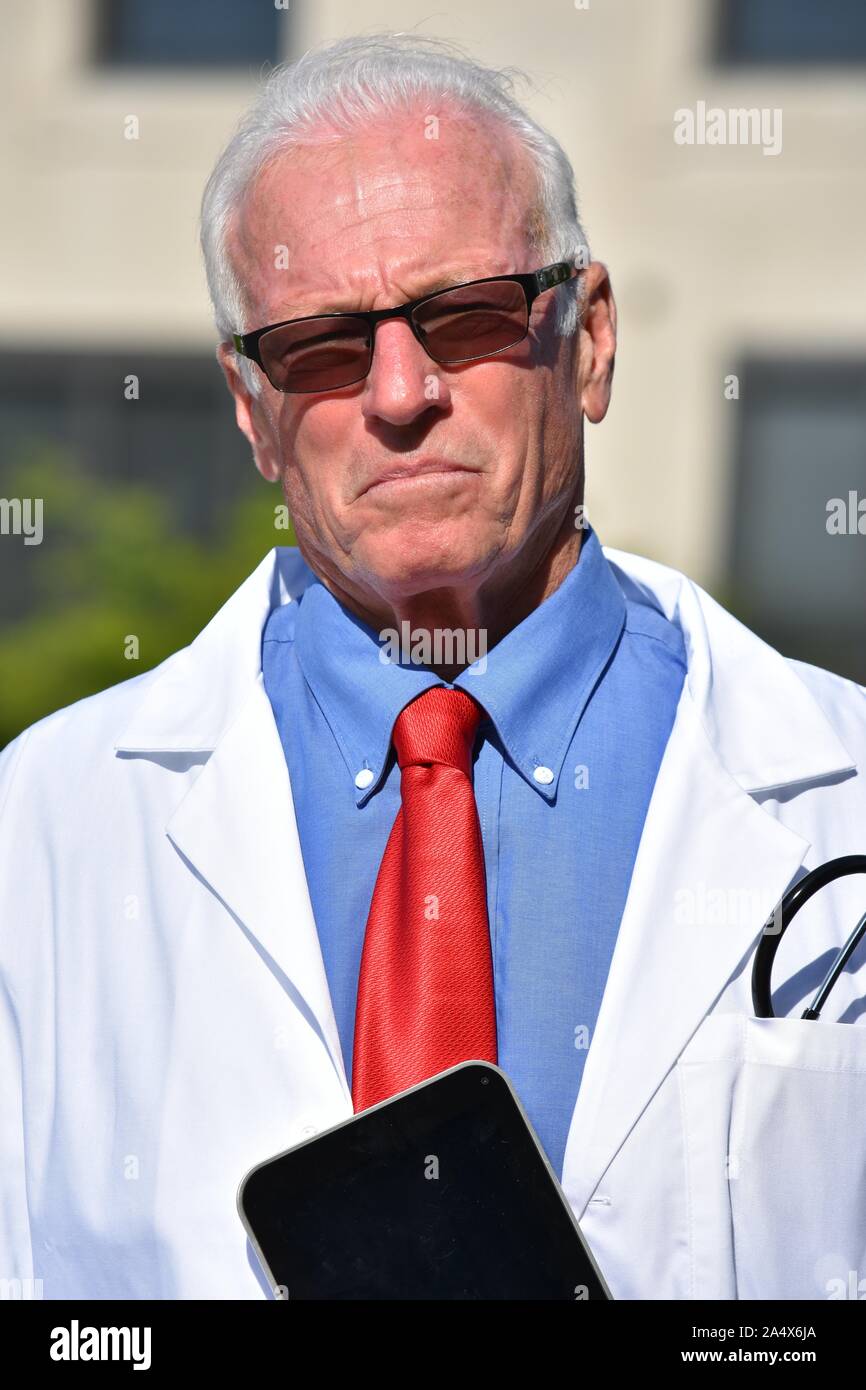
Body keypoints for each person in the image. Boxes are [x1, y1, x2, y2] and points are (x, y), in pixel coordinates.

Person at [2, 33, 866, 1302]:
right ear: (251, 410)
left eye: (461, 317)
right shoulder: (45, 827)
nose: (400, 394)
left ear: (588, 338)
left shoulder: (833, 786)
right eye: (322, 347)